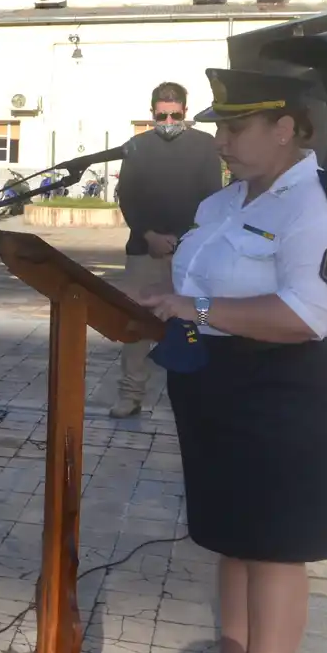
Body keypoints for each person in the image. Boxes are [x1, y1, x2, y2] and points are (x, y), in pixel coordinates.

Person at [141, 67, 327, 653]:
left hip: (286, 388)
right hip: (220, 382)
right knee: (233, 538)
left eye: (235, 128)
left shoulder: (323, 212)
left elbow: (305, 315)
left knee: (274, 550)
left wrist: (199, 308)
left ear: (286, 128)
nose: (221, 140)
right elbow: (194, 281)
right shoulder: (227, 204)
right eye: (219, 125)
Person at [112, 81, 225, 418]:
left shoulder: (206, 147)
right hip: (143, 250)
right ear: (152, 113)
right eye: (162, 115)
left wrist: (182, 241)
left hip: (191, 252)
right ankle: (131, 394)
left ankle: (200, 392)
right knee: (136, 322)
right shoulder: (135, 147)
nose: (169, 121)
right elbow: (127, 197)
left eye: (175, 114)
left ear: (185, 112)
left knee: (198, 317)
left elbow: (211, 198)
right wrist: (149, 235)